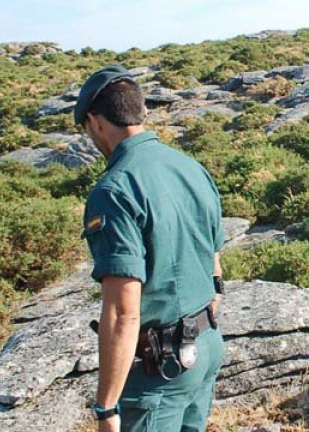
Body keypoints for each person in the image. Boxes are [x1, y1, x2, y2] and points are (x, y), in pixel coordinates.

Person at [76, 65, 226, 432]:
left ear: (96, 122)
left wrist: (106, 408)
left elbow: (123, 313)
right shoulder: (190, 167)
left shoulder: (114, 191)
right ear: (140, 111)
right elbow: (215, 267)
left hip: (161, 371)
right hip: (206, 346)